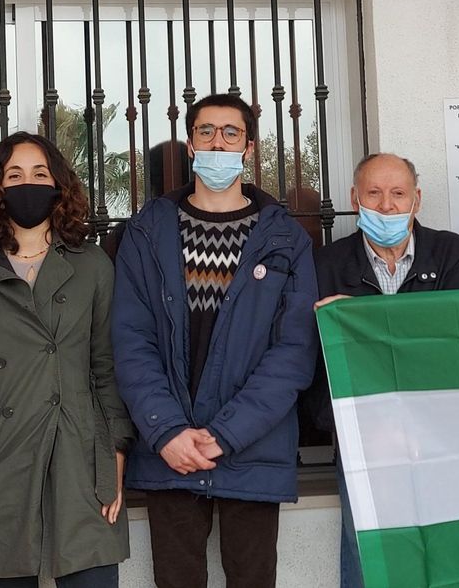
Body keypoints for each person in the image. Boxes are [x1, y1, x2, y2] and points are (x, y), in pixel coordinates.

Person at [111, 93, 318, 588]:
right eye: (206, 131)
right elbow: (130, 340)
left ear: (249, 147)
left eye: (230, 132)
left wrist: (227, 433)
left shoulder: (287, 240)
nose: (217, 141)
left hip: (252, 450)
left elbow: (293, 352)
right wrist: (167, 431)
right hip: (171, 453)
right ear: (190, 144)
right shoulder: (145, 233)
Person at [0, 133, 131, 586]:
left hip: (79, 457)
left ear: (58, 185)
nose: (26, 184)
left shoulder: (92, 266)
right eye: (14, 175)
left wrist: (116, 452)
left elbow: (105, 370)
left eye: (39, 174)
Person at [306, 151, 459, 588]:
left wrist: (365, 320)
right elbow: (315, 356)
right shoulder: (325, 264)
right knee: (369, 549)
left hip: (441, 431)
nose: (386, 206)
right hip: (364, 435)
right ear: (354, 198)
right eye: (374, 193)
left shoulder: (450, 252)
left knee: (447, 547)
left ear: (416, 199)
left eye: (398, 194)